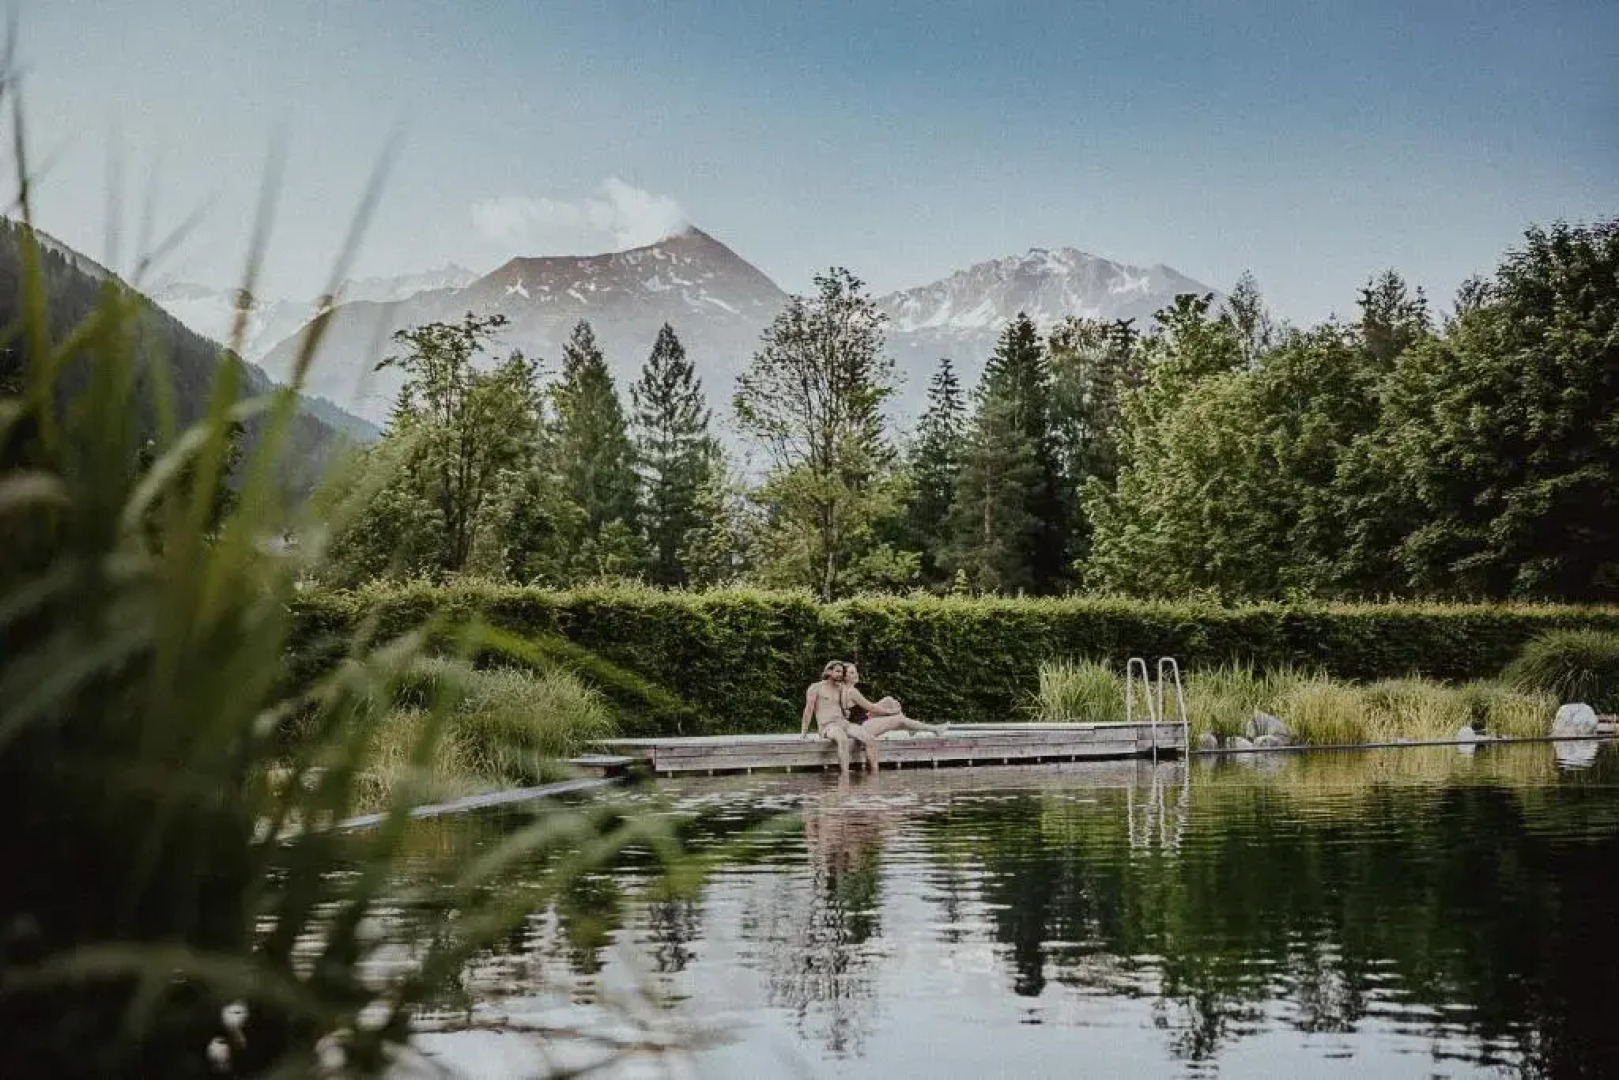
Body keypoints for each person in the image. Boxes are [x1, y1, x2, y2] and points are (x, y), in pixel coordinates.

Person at [800, 660, 879, 774]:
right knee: (842, 739)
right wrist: (804, 733)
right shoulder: (816, 688)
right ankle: (845, 776)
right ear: (828, 671)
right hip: (827, 726)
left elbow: (846, 707)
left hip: (843, 723)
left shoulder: (841, 688)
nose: (840, 675)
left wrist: (846, 711)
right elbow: (808, 710)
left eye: (841, 672)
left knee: (870, 739)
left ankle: (874, 774)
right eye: (837, 671)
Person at [841, 663, 948, 739]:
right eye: (852, 673)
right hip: (860, 726)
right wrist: (891, 712)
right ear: (845, 677)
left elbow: (865, 708)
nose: (856, 675)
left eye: (855, 672)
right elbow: (872, 708)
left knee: (889, 700)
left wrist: (889, 708)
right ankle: (934, 729)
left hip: (860, 719)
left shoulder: (845, 688)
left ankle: (910, 727)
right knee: (898, 719)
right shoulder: (851, 692)